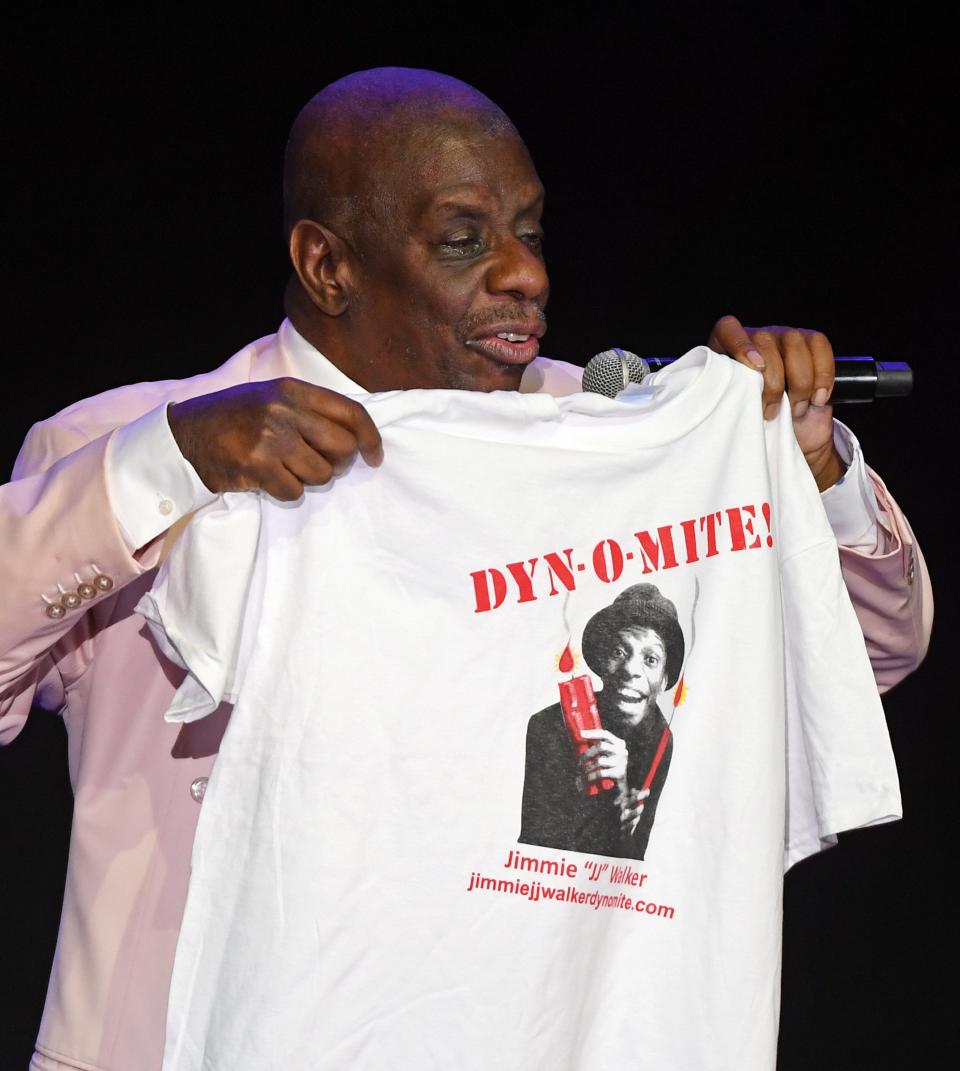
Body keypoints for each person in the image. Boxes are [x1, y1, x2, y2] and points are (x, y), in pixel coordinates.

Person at [0, 67, 931, 1071]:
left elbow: (872, 651)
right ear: (327, 265)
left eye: (530, 232)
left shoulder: (597, 441)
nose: (525, 275)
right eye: (464, 240)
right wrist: (165, 469)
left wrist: (809, 468)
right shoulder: (133, 447)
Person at [520, 583, 685, 860]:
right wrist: (578, 789)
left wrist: (619, 798)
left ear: (665, 679)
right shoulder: (547, 726)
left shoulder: (661, 742)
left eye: (650, 659)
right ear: (601, 659)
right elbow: (535, 850)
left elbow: (636, 864)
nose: (631, 669)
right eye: (619, 652)